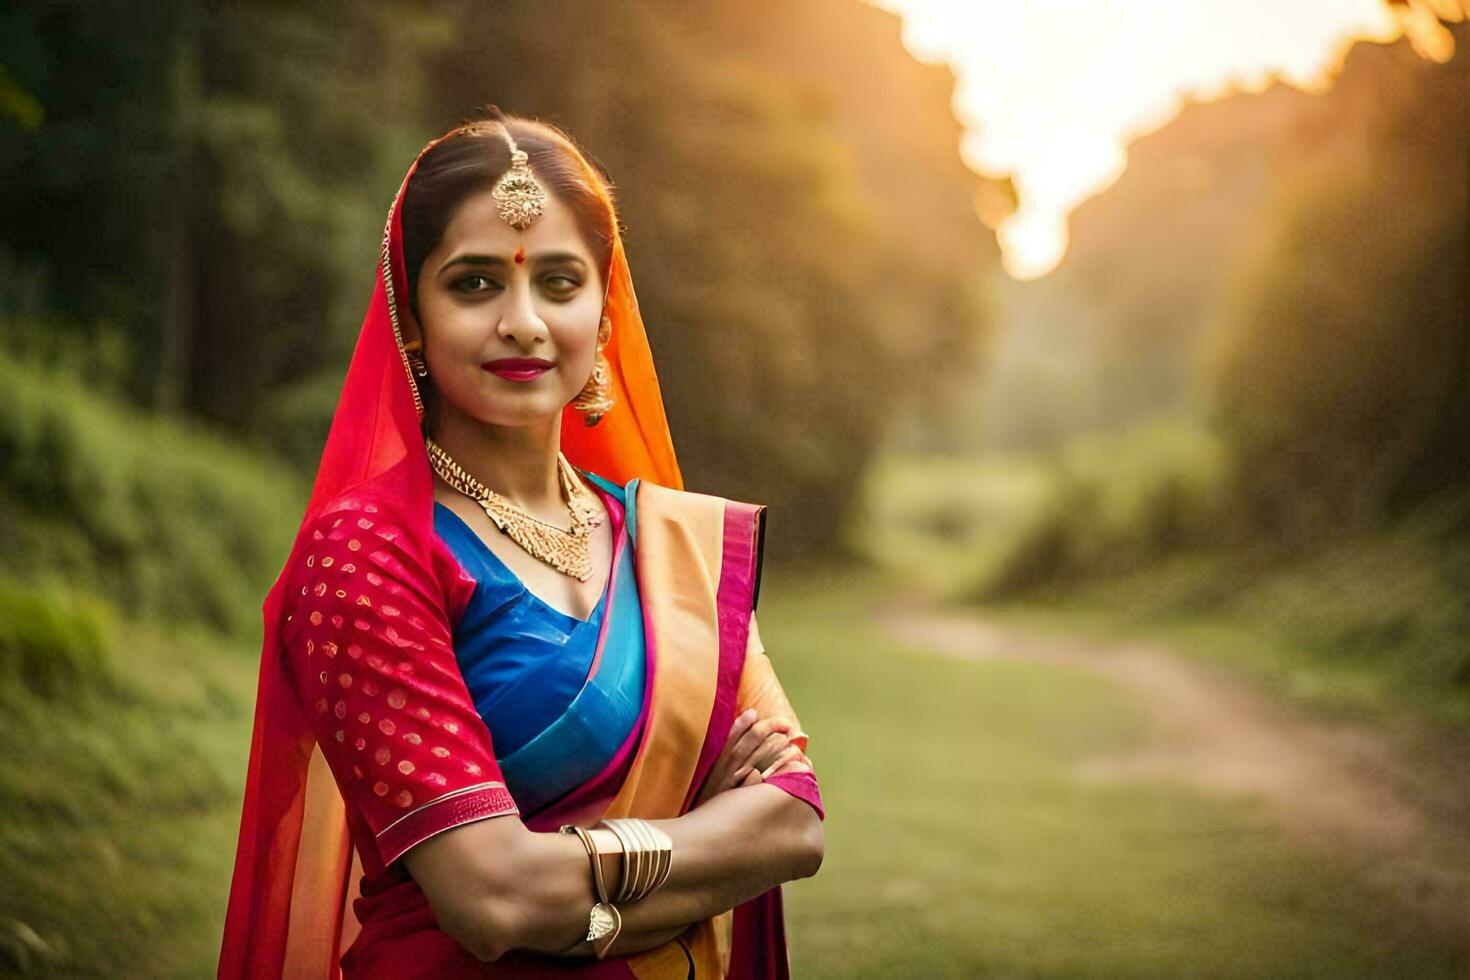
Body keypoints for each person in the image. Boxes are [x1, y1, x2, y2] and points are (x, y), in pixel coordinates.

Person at [219, 107, 826, 979]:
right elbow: (491, 900)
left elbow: (794, 823)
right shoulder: (364, 554)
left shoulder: (672, 543)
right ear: (412, 318)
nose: (524, 322)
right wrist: (705, 843)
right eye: (474, 284)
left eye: (559, 281)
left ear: (604, 314)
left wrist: (569, 890)